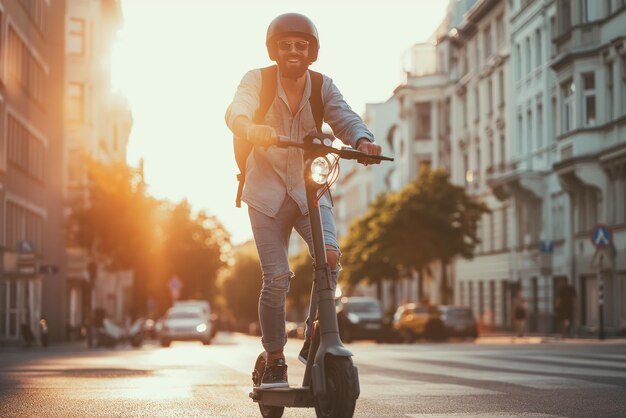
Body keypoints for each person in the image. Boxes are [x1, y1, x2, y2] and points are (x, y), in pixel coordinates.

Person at [225, 13, 381, 389]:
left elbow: (345, 118)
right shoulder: (256, 81)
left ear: (311, 52)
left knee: (329, 257)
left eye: (301, 45)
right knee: (277, 278)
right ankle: (275, 357)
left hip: (310, 189)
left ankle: (316, 333)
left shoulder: (321, 86)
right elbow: (237, 108)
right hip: (265, 193)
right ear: (274, 50)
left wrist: (362, 141)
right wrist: (249, 126)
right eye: (285, 45)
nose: (293, 51)